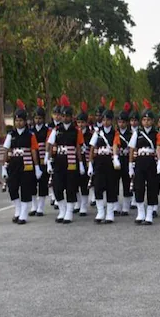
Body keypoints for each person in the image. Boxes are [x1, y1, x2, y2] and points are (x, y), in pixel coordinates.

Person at [46, 95, 86, 224]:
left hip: (72, 162)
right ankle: (62, 210)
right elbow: (50, 145)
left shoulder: (76, 131)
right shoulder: (56, 130)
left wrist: (81, 164)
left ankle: (69, 212)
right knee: (57, 187)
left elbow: (78, 148)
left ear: (71, 117)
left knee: (70, 187)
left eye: (67, 116)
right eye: (63, 116)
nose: (64, 118)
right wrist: (48, 160)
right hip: (59, 160)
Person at [1, 100, 42, 224]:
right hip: (13, 165)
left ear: (25, 121)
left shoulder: (30, 135)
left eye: (20, 120)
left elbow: (34, 151)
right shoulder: (11, 134)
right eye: (16, 120)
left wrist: (37, 167)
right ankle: (17, 209)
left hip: (27, 165)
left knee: (25, 189)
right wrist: (4, 166)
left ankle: (23, 214)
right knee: (12, 188)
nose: (18, 123)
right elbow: (6, 150)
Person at [128, 100, 160, 225]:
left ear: (153, 121)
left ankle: (149, 214)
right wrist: (130, 165)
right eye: (144, 120)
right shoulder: (137, 133)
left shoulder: (156, 134)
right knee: (138, 187)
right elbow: (132, 149)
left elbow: (158, 148)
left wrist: (159, 162)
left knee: (152, 187)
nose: (146, 122)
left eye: (149, 120)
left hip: (151, 161)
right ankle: (140, 213)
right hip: (139, 161)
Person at [89, 100, 118, 223]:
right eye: (104, 120)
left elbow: (116, 145)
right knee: (98, 186)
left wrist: (115, 157)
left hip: (110, 163)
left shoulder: (115, 133)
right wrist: (90, 164)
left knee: (111, 187)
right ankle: (100, 211)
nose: (105, 122)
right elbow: (92, 148)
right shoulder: (98, 132)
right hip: (99, 162)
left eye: (108, 120)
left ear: (112, 121)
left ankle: (110, 213)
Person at [112, 103, 134, 216]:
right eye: (119, 122)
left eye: (123, 122)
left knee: (127, 182)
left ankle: (126, 206)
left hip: (126, 159)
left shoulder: (131, 134)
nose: (121, 124)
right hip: (118, 159)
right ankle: (116, 205)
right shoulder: (114, 134)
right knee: (114, 182)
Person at [31, 99, 51, 217]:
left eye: (40, 118)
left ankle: (41, 207)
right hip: (32, 161)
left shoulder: (47, 131)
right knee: (31, 184)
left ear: (43, 119)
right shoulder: (30, 131)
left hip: (43, 160)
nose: (37, 120)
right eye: (36, 118)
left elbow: (48, 145)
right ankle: (34, 205)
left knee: (43, 184)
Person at [75, 102, 93, 216]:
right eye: (78, 122)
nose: (80, 125)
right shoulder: (74, 133)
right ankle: (78, 202)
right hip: (75, 160)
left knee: (84, 183)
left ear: (86, 123)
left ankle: (84, 205)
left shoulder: (91, 134)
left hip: (87, 161)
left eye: (82, 122)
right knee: (74, 182)